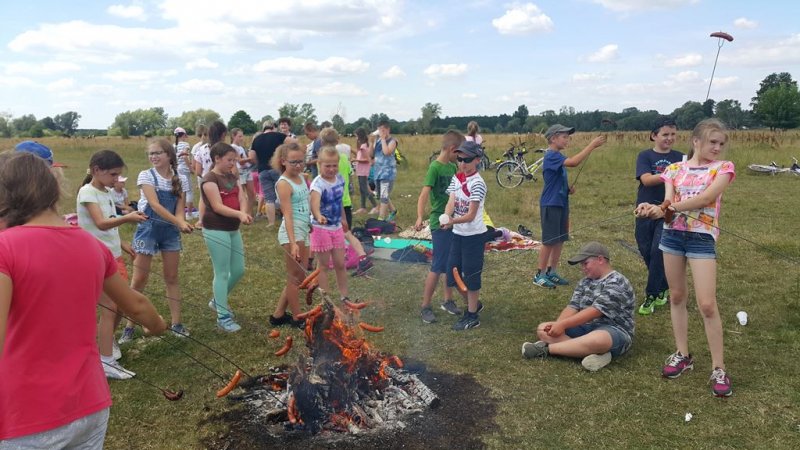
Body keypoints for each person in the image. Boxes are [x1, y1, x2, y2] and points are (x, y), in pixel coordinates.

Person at [0, 151, 166, 448]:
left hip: (26, 415)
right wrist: (158, 325)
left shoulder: (5, 248)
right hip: (90, 405)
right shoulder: (91, 245)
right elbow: (137, 305)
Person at [635, 118, 735, 398]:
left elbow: (705, 199)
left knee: (707, 304)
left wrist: (668, 208)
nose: (717, 148)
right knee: (677, 296)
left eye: (721, 143)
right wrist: (652, 208)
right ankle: (682, 354)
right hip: (672, 237)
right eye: (712, 142)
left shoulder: (723, 168)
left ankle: (718, 368)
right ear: (696, 141)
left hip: (702, 238)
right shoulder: (674, 169)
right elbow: (668, 205)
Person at [77, 150, 148, 379]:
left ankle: (105, 348)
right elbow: (100, 223)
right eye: (113, 174)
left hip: (112, 256)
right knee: (109, 307)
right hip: (97, 258)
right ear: (96, 170)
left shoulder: (106, 192)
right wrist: (128, 217)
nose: (116, 179)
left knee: (116, 305)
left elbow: (109, 225)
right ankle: (105, 361)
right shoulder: (87, 192)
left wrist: (122, 244)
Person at [119, 139, 194, 343]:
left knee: (172, 277)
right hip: (148, 229)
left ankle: (177, 324)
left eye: (158, 153)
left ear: (169, 155)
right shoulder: (146, 175)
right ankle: (129, 326)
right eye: (151, 153)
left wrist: (181, 221)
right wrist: (179, 222)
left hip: (170, 232)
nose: (153, 157)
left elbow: (179, 209)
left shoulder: (180, 178)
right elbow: (155, 205)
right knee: (139, 279)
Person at [522, 242, 635, 372]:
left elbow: (595, 311)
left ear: (600, 259)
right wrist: (557, 326)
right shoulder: (584, 282)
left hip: (614, 331)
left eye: (585, 263)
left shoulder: (617, 282)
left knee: (598, 340)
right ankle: (596, 353)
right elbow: (573, 307)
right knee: (543, 328)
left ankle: (546, 350)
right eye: (581, 265)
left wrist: (562, 325)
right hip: (586, 328)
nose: (583, 268)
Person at [533, 124, 607, 289]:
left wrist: (567, 189)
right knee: (549, 241)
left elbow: (555, 179)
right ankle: (539, 274)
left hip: (561, 203)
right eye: (564, 137)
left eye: (568, 137)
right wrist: (591, 145)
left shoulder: (558, 156)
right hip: (550, 204)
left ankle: (552, 271)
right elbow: (573, 163)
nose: (568, 140)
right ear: (553, 138)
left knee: (559, 239)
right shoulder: (551, 155)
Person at [634, 117, 684, 315]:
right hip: (645, 209)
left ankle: (652, 295)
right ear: (654, 136)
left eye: (673, 134)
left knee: (658, 251)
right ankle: (663, 285)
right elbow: (646, 180)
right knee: (645, 249)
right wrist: (671, 172)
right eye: (665, 134)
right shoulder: (645, 156)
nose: (670, 138)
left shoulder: (681, 158)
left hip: (668, 210)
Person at [202, 142, 253, 332]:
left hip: (233, 229)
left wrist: (244, 212)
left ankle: (218, 301)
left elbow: (241, 197)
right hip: (216, 229)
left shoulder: (232, 176)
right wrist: (239, 214)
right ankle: (223, 317)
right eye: (229, 160)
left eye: (234, 160)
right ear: (217, 159)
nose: (233, 163)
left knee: (238, 270)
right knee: (222, 272)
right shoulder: (209, 179)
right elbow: (217, 206)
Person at [415, 131, 463, 324]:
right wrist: (420, 216)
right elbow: (423, 195)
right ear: (452, 149)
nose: (460, 158)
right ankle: (425, 306)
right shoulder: (434, 168)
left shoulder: (452, 167)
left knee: (451, 264)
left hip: (453, 222)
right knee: (437, 266)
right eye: (458, 153)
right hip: (439, 224)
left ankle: (448, 300)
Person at [443, 141, 487, 331]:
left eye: (467, 160)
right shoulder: (457, 177)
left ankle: (472, 316)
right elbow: (451, 201)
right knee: (451, 274)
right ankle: (473, 304)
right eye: (459, 159)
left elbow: (470, 215)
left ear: (477, 160)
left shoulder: (478, 183)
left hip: (474, 236)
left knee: (471, 276)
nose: (462, 163)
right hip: (458, 234)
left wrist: (451, 221)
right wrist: (446, 216)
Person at [319, 127, 374, 276]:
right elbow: (349, 174)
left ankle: (354, 257)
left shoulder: (326, 161)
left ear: (322, 142)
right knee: (346, 232)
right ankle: (359, 257)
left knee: (338, 233)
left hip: (333, 203)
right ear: (337, 140)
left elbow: (324, 182)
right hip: (345, 201)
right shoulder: (343, 157)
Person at [270, 142, 311, 328]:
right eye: (293, 162)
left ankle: (278, 315)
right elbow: (287, 214)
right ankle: (297, 318)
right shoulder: (283, 184)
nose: (298, 165)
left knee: (300, 276)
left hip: (304, 229)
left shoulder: (301, 177)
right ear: (283, 161)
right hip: (291, 233)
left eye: (301, 161)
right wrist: (293, 242)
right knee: (294, 279)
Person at [309, 146, 349, 301]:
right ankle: (327, 301)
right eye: (327, 166)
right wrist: (318, 215)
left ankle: (345, 297)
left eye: (334, 165)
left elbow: (339, 202)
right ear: (319, 164)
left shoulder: (340, 179)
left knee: (340, 263)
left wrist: (343, 218)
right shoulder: (317, 184)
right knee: (323, 266)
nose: (332, 169)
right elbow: (314, 204)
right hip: (321, 229)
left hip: (336, 227)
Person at [250, 120, 293, 227]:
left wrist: (260, 163)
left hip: (262, 170)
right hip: (277, 169)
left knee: (269, 198)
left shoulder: (256, 139)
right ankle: (286, 218)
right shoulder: (279, 136)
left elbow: (252, 156)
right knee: (284, 195)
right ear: (273, 127)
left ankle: (271, 223)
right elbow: (294, 143)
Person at [372, 120, 398, 221]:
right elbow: (372, 153)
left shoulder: (393, 141)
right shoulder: (378, 140)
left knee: (384, 195)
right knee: (380, 194)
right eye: (379, 130)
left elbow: (386, 152)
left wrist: (383, 139)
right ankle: (393, 210)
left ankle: (381, 218)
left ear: (388, 130)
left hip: (387, 172)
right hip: (377, 172)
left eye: (383, 130)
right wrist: (372, 141)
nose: (381, 132)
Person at [230, 127, 256, 218]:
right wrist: (251, 158)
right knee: (241, 194)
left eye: (242, 136)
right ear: (233, 136)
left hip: (247, 170)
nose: (242, 138)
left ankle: (249, 213)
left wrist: (250, 160)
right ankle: (243, 213)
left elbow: (244, 159)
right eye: (239, 136)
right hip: (240, 171)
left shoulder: (240, 147)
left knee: (251, 193)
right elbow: (240, 161)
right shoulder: (233, 147)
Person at [353, 127, 377, 215]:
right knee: (362, 189)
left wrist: (355, 160)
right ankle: (363, 207)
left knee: (365, 189)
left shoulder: (363, 147)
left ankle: (375, 206)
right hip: (361, 171)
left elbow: (367, 159)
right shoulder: (364, 146)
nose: (355, 138)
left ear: (359, 136)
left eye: (356, 136)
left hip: (363, 171)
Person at [175, 127, 196, 220]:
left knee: (180, 191)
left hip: (177, 169)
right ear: (183, 135)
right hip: (184, 169)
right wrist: (190, 168)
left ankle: (179, 211)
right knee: (189, 191)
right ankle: (189, 214)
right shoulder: (185, 144)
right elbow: (184, 156)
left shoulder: (174, 145)